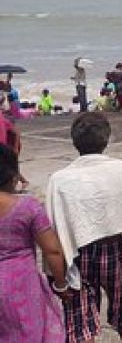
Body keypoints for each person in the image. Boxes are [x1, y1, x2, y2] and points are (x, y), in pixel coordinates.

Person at [46, 112, 122, 343]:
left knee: (79, 314)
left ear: (74, 142)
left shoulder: (59, 179)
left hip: (79, 253)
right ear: (106, 139)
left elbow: (56, 230)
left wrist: (58, 278)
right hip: (117, 246)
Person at [0, 144, 68, 342]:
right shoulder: (28, 207)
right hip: (21, 286)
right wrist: (61, 285)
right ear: (13, 175)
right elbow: (52, 251)